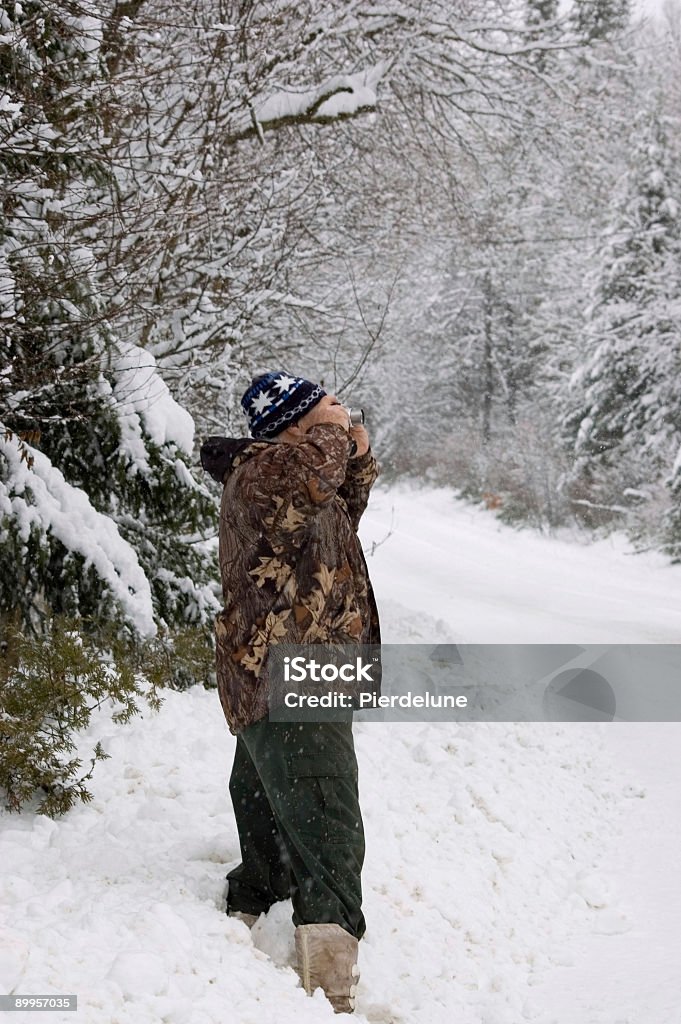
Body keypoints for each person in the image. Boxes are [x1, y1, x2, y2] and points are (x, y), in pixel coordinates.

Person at [200, 371, 381, 1014]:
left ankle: (253, 901)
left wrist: (354, 455)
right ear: (296, 426)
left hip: (289, 669)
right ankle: (328, 977)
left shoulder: (295, 482)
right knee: (327, 814)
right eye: (327, 411)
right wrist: (334, 432)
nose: (341, 416)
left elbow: (338, 510)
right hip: (289, 673)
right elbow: (310, 473)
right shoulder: (265, 474)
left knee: (268, 796)